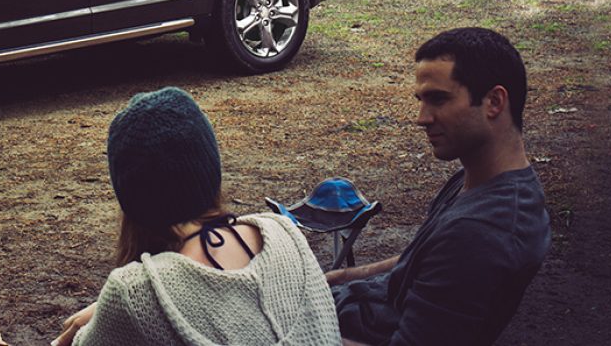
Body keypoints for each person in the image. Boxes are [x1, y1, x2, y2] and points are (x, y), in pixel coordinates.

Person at [54, 87, 341, 346]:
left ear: (131, 196)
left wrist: (111, 310)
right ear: (209, 167)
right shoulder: (283, 231)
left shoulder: (135, 292)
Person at [327, 27, 551, 346]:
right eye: (421, 100)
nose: (421, 118)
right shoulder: (477, 180)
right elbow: (423, 261)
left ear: (494, 101)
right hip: (344, 307)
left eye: (438, 99)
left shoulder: (481, 232)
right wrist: (343, 276)